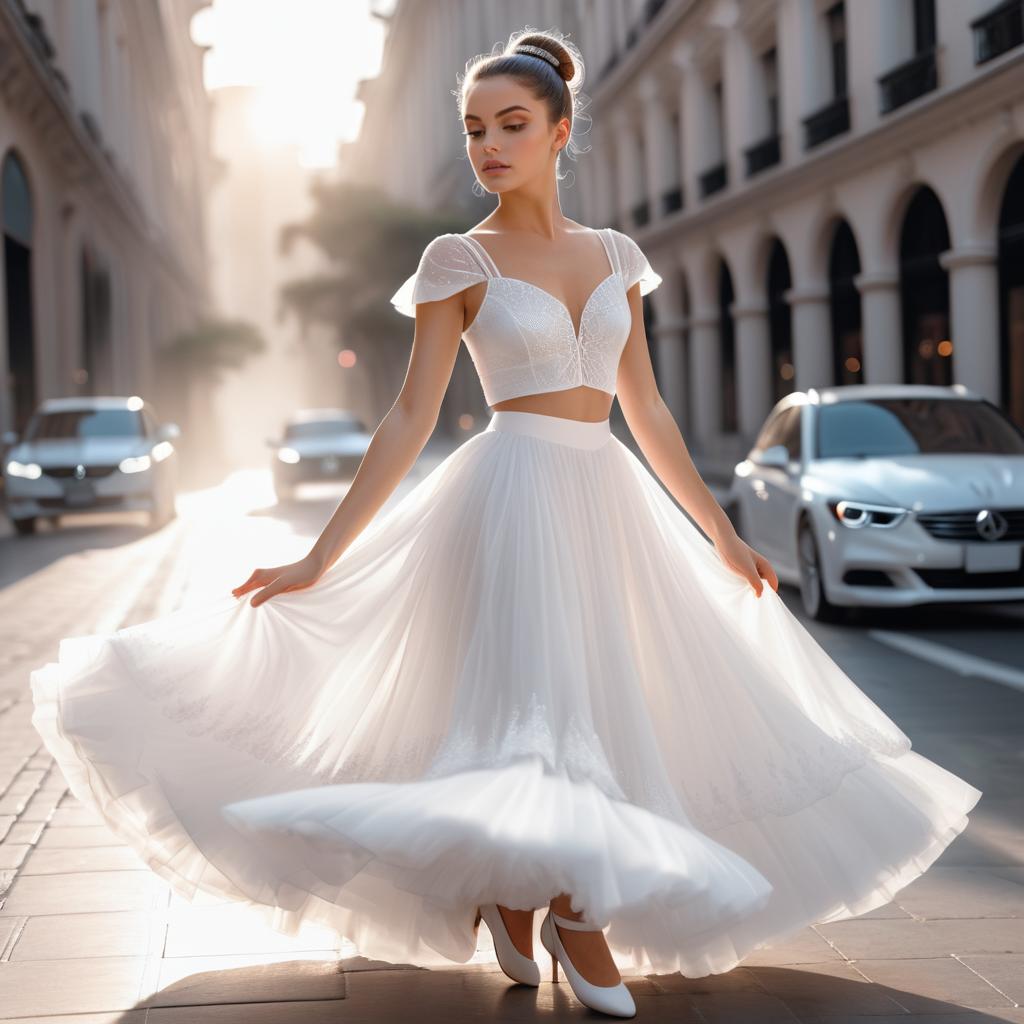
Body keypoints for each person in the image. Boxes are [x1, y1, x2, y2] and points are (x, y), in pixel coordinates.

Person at [30, 27, 982, 1022]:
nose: (489, 144)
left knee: (603, 703)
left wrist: (718, 530)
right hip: (508, 491)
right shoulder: (457, 257)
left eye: (511, 125)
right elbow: (409, 416)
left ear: (560, 130)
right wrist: (319, 555)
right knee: (540, 705)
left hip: (605, 495)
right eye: (475, 128)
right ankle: (574, 910)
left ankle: (513, 889)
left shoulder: (617, 256)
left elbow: (646, 409)